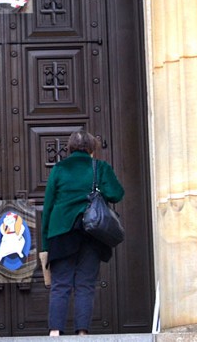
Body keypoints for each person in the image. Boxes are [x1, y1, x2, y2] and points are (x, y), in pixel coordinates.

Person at [41, 130, 124, 337]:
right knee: (85, 285)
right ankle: (82, 334)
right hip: (91, 233)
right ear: (92, 149)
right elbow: (117, 194)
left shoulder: (59, 169)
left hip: (61, 233)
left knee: (60, 284)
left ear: (69, 148)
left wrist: (45, 244)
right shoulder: (100, 167)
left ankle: (54, 332)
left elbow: (48, 207)